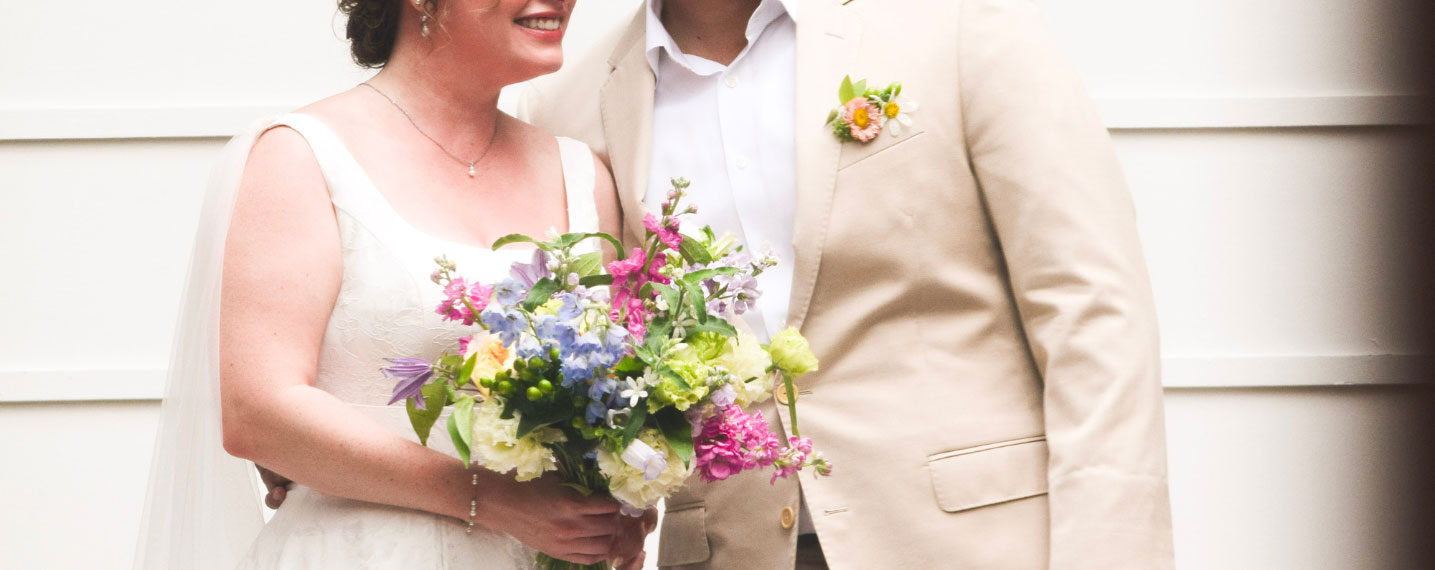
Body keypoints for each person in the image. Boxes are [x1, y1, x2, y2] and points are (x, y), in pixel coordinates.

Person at [515, 0, 1176, 568]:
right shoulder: (567, 106)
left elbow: (1090, 306)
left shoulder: (952, 25)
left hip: (974, 539)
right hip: (728, 549)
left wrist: (1109, 551)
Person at [133, 1, 655, 569]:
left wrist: (619, 505)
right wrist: (488, 498)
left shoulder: (583, 175)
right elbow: (259, 413)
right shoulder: (302, 156)